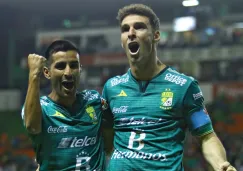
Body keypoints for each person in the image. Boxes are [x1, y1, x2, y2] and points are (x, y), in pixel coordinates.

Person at [102, 4, 236, 171]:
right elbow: (105, 141)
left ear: (156, 36)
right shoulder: (111, 87)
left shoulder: (183, 86)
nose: (131, 33)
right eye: (125, 29)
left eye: (139, 27)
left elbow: (206, 136)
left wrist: (220, 164)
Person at [21, 40, 106, 171]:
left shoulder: (94, 101)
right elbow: (32, 127)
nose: (68, 72)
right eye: (60, 66)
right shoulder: (42, 108)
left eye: (73, 65)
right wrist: (34, 75)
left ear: (80, 69)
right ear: (47, 72)